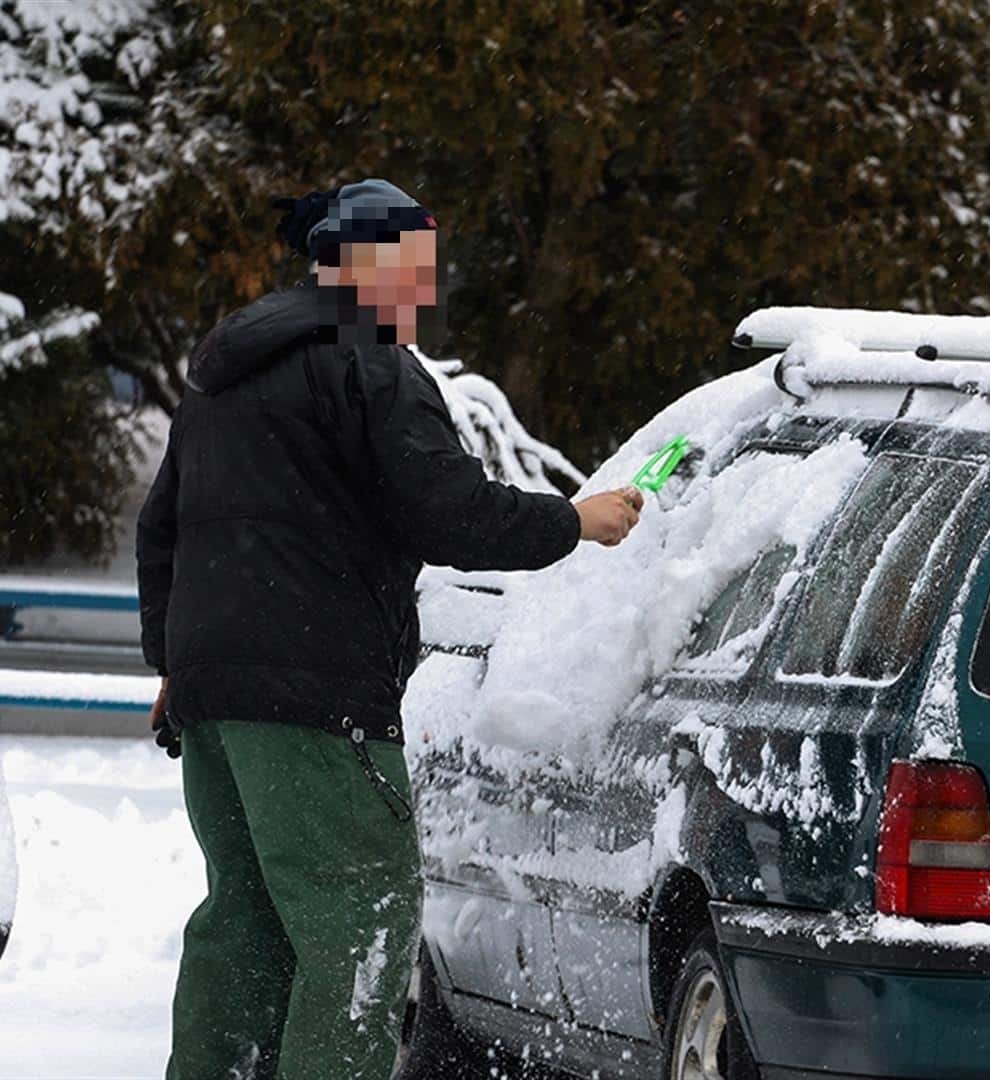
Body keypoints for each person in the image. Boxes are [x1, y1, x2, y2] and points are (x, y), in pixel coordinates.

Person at [135, 177, 643, 1080]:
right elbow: (448, 514)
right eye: (418, 265)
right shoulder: (366, 358)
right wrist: (575, 521)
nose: (428, 287)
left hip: (216, 696)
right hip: (317, 693)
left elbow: (162, 524)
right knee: (357, 920)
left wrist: (173, 665)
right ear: (367, 261)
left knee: (245, 923)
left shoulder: (228, 371)